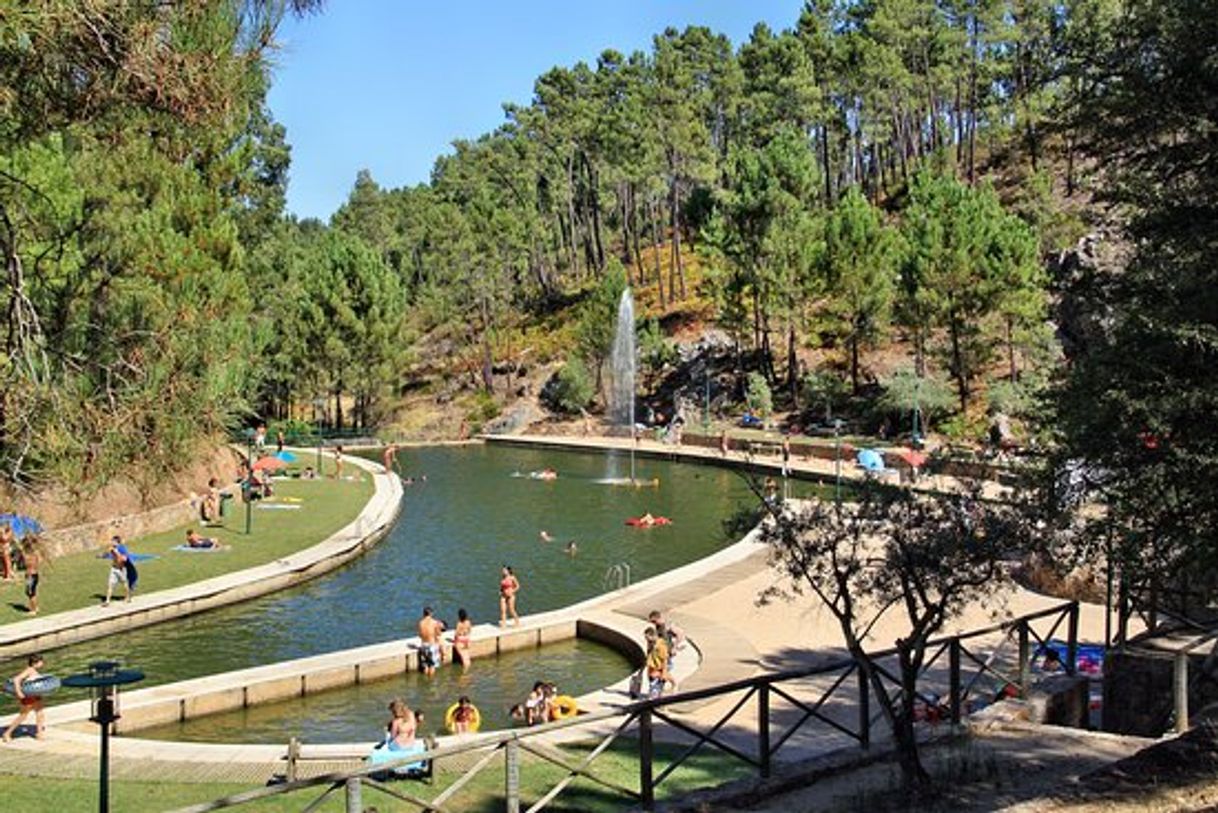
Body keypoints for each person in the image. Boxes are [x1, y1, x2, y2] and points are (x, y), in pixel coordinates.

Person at [3, 654, 47, 741]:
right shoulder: (29, 670)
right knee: (23, 715)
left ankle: (39, 734)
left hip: (35, 695)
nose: (42, 663)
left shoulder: (34, 670)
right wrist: (19, 692)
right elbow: (16, 679)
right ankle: (7, 733)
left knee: (40, 714)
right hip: (28, 696)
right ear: (35, 663)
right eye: (41, 662)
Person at [103, 536, 136, 606]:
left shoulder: (122, 549)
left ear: (117, 542)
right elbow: (108, 555)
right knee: (110, 585)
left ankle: (128, 597)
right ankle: (107, 601)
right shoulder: (112, 548)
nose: (111, 543)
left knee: (125, 584)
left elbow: (125, 559)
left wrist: (116, 553)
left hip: (121, 569)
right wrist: (104, 555)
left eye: (113, 541)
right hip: (114, 569)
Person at [644, 626, 675, 698]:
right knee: (653, 681)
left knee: (655, 684)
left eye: (647, 637)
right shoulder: (651, 643)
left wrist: (664, 672)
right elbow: (649, 654)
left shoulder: (661, 645)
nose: (646, 639)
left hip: (659, 667)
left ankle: (673, 684)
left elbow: (664, 659)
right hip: (653, 667)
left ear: (653, 636)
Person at [417, 606, 445, 677]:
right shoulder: (435, 622)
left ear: (423, 614)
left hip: (423, 645)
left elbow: (420, 635)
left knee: (426, 665)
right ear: (431, 613)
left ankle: (426, 682)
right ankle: (431, 684)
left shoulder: (420, 623)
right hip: (432, 645)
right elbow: (439, 634)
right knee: (432, 665)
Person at [22, 536, 40, 616]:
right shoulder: (35, 553)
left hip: (31, 576)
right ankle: (35, 607)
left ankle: (33, 610)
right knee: (33, 592)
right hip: (35, 574)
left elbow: (27, 564)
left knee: (30, 593)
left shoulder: (28, 556)